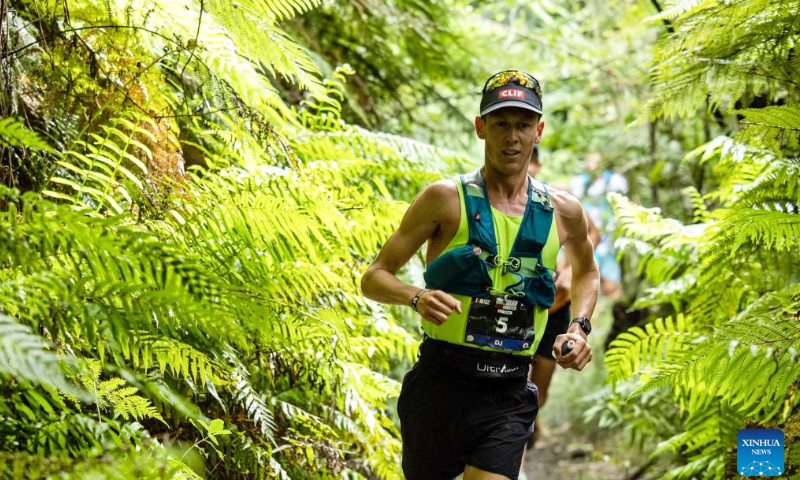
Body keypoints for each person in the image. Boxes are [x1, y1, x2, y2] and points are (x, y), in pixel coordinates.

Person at [361, 70, 600, 480]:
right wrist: (415, 296)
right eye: (500, 124)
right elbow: (374, 277)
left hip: (507, 391)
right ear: (480, 127)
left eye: (523, 125)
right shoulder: (444, 199)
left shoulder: (563, 211)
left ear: (538, 131)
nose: (512, 137)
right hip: (440, 384)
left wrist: (578, 327)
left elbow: (587, 273)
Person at [567, 153, 628, 299]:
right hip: (585, 237)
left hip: (608, 237)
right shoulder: (578, 183)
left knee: (610, 278)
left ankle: (612, 311)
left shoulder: (614, 181)